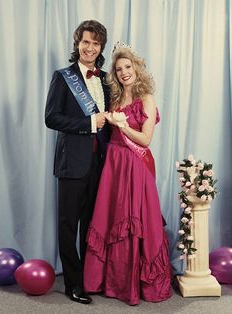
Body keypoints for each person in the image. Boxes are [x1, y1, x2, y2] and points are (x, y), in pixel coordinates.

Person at [84, 42, 172, 305]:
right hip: (113, 164)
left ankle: (134, 284)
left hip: (135, 166)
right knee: (112, 218)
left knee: (135, 220)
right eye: (119, 68)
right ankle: (110, 281)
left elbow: (145, 140)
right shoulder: (115, 98)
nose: (123, 72)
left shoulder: (147, 97)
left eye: (127, 66)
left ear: (136, 67)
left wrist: (122, 126)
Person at [45, 20, 110, 304]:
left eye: (96, 43)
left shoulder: (106, 78)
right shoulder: (64, 77)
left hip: (100, 162)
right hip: (72, 163)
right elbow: (51, 118)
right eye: (86, 42)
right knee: (69, 224)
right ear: (77, 44)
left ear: (101, 48)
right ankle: (73, 283)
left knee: (91, 224)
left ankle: (89, 278)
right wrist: (88, 123)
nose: (90, 48)